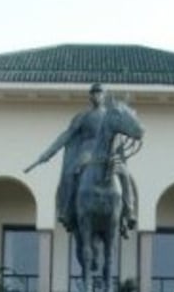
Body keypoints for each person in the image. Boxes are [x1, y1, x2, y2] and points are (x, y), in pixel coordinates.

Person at [25, 83, 138, 233]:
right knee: (71, 172)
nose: (97, 96)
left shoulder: (110, 115)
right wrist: (48, 154)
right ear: (90, 96)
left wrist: (119, 154)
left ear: (104, 96)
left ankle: (128, 212)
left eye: (100, 93)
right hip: (87, 152)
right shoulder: (83, 116)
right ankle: (67, 209)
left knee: (125, 175)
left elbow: (118, 135)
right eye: (94, 93)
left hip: (108, 154)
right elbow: (67, 135)